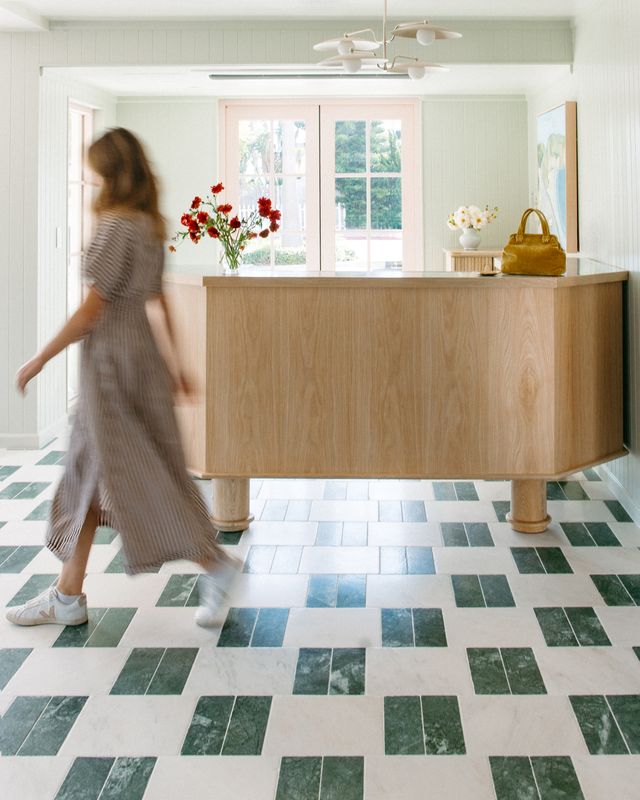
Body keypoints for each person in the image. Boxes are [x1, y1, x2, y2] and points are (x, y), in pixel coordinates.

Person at [7, 127, 236, 629]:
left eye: (95, 170)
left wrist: (41, 356)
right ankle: (68, 596)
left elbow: (94, 308)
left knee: (139, 478)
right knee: (92, 477)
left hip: (111, 368)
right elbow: (159, 301)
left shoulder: (115, 227)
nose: (89, 180)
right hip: (142, 362)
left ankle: (214, 564)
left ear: (109, 172)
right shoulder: (149, 226)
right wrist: (176, 366)